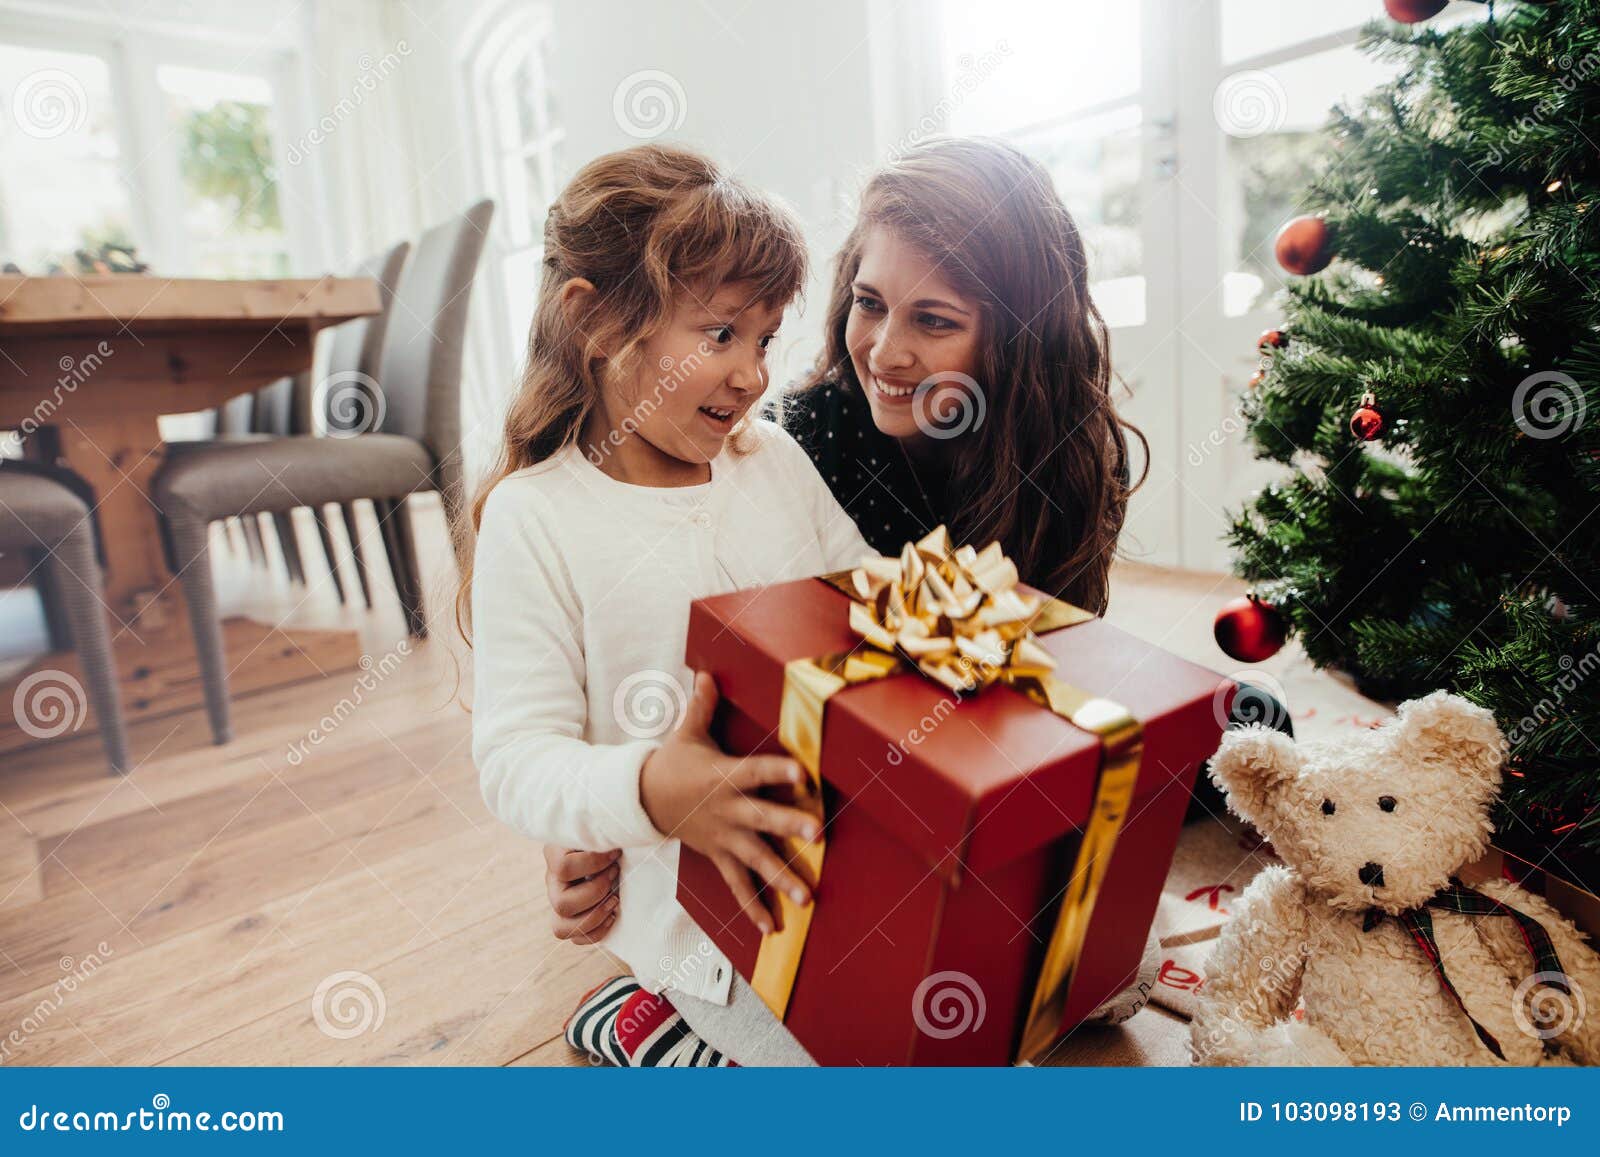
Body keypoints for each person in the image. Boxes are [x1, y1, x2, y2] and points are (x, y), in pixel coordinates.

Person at [462, 143, 873, 1067]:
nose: (752, 374)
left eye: (765, 339)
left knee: (1083, 977)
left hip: (845, 840)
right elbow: (516, 758)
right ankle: (644, 1019)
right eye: (719, 333)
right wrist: (647, 790)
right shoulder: (538, 517)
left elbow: (866, 591)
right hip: (701, 918)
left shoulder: (773, 462)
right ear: (598, 322)